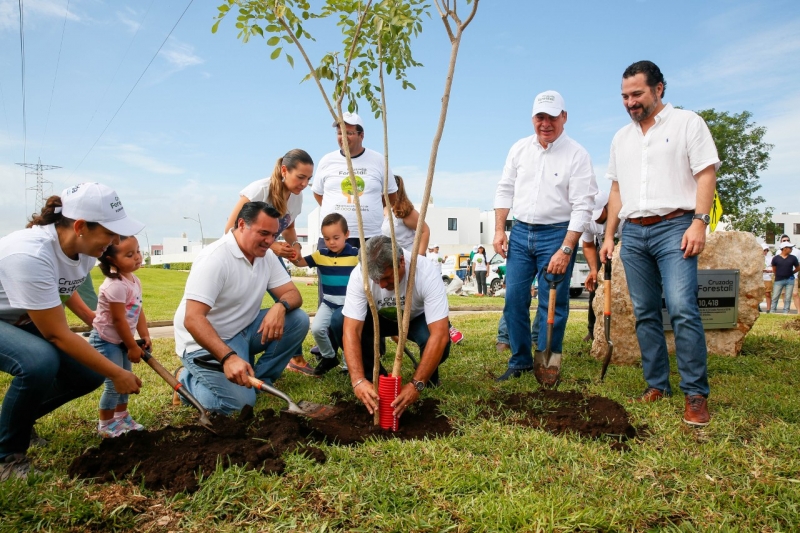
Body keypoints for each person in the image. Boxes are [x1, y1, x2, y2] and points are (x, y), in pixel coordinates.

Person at [600, 60, 720, 427]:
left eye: (637, 94)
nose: (630, 102)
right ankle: (656, 385)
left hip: (676, 227)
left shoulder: (688, 123)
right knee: (645, 312)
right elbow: (617, 189)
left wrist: (699, 223)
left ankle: (695, 394)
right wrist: (609, 234)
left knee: (683, 308)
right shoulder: (621, 138)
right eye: (625, 96)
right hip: (633, 233)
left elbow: (706, 173)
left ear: (659, 89)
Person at [0, 183, 144, 480]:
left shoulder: (86, 250)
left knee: (87, 372)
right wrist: (118, 373)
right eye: (109, 232)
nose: (115, 240)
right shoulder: (31, 254)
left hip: (20, 316)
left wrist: (94, 320)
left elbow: (64, 289)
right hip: (9, 318)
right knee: (39, 361)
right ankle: (7, 457)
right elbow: (57, 335)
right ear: (80, 226)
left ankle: (15, 424)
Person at [493, 90, 598, 383]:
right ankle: (521, 361)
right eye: (540, 117)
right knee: (514, 299)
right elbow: (504, 189)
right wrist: (500, 229)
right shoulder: (519, 149)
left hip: (556, 234)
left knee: (554, 301)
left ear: (564, 117)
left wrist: (566, 248)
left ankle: (549, 359)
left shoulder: (577, 155)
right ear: (532, 118)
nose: (546, 123)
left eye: (552, 117)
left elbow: (582, 205)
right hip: (521, 231)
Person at [173, 202, 310, 415]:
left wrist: (280, 306)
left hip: (244, 330)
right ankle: (185, 382)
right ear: (241, 225)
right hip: (204, 342)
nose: (270, 241)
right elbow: (192, 319)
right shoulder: (215, 258)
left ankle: (261, 380)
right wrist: (228, 357)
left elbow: (293, 294)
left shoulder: (266, 256)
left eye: (274, 235)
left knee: (298, 319)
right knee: (238, 406)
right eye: (263, 233)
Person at [331, 236, 451, 419]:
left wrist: (416, 384)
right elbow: (351, 331)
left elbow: (440, 334)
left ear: (401, 262)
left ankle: (426, 376)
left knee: (433, 339)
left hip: (416, 318)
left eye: (386, 278)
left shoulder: (426, 271)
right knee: (339, 321)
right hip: (379, 318)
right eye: (375, 279)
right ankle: (375, 378)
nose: (382, 285)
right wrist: (357, 380)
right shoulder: (359, 275)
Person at [224, 149, 315, 375]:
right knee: (242, 311)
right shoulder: (259, 190)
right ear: (284, 170)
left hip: (269, 260)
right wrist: (272, 245)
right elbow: (230, 230)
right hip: (243, 261)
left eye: (308, 179)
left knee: (290, 306)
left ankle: (278, 366)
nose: (304, 184)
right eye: (300, 177)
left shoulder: (296, 196)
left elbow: (290, 227)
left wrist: (294, 247)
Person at [89, 236, 150, 438]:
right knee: (115, 383)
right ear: (112, 260)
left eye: (138, 251)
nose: (137, 257)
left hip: (122, 341)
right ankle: (106, 425)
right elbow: (119, 321)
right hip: (106, 340)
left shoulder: (134, 280)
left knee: (126, 380)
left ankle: (121, 417)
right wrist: (132, 346)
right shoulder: (115, 285)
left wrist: (144, 335)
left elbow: (138, 310)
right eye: (129, 255)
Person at [312, 112, 397, 248]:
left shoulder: (378, 160)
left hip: (370, 237)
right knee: (330, 270)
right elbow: (318, 193)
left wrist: (371, 207)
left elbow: (391, 194)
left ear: (361, 135)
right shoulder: (327, 161)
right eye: (340, 133)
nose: (343, 138)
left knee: (370, 270)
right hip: (332, 238)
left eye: (349, 133)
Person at [291, 213, 359, 376]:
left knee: (345, 333)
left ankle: (347, 366)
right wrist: (294, 252)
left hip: (348, 305)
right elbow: (300, 262)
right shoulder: (320, 254)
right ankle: (329, 357)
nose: (331, 242)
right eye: (327, 238)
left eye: (336, 237)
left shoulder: (356, 254)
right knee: (316, 329)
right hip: (328, 302)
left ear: (346, 234)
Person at [580, 190, 610, 341]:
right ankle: (592, 330)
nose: (596, 220)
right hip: (601, 251)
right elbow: (588, 245)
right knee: (594, 288)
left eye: (599, 215)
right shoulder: (588, 221)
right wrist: (593, 270)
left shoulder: (622, 216)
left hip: (624, 248)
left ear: (607, 207)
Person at [381, 175, 430, 254]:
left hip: (407, 258)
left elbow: (425, 231)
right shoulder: (382, 209)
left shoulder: (403, 211)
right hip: (390, 258)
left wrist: (418, 258)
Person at [771, 242, 799, 313]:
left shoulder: (793, 258)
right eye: (790, 248)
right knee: (775, 296)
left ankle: (786, 311)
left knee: (788, 297)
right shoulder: (776, 258)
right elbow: (774, 269)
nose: (791, 249)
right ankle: (773, 310)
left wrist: (792, 272)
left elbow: (798, 267)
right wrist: (777, 274)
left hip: (790, 279)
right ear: (784, 249)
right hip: (779, 280)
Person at [777, 234, 800, 312]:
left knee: (795, 294)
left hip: (793, 277)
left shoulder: (797, 251)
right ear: (781, 242)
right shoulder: (778, 252)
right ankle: (787, 311)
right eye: (784, 240)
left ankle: (799, 311)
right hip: (781, 277)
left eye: (787, 240)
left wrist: (792, 272)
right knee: (784, 294)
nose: (786, 242)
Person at [762, 243, 773, 313]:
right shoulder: (757, 258)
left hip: (767, 277)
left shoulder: (770, 258)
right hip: (759, 277)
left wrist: (770, 270)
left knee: (767, 293)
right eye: (764, 250)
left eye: (766, 250)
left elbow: (773, 267)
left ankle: (768, 308)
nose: (765, 252)